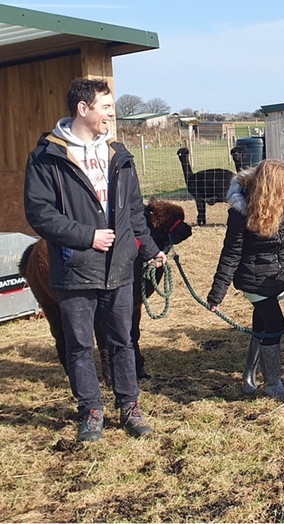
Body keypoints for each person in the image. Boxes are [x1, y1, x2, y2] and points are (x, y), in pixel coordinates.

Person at [23, 78, 166, 442]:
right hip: (74, 268)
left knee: (122, 341)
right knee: (80, 344)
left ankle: (129, 407)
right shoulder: (47, 157)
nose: (111, 116)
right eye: (106, 109)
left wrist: (150, 249)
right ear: (83, 109)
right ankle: (90, 411)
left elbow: (134, 211)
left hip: (119, 268)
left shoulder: (118, 155)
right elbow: (39, 213)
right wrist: (87, 237)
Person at [207, 159, 284, 401]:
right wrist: (217, 294)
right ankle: (273, 383)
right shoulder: (241, 211)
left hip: (277, 276)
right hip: (253, 277)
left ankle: (248, 375)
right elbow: (231, 253)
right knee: (274, 323)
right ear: (270, 186)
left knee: (262, 324)